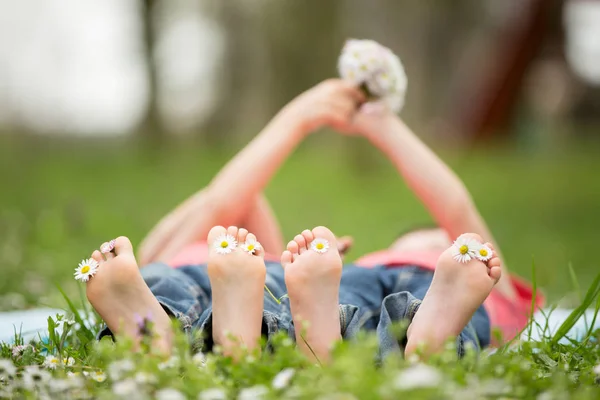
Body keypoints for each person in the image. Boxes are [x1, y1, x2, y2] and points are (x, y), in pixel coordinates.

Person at [85, 79, 542, 363]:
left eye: (440, 241)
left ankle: (165, 331)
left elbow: (222, 203)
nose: (438, 239)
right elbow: (225, 203)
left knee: (173, 279)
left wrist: (306, 118)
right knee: (184, 275)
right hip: (276, 282)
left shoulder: (466, 273)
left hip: (280, 283)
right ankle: (416, 339)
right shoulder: (235, 254)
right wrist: (379, 126)